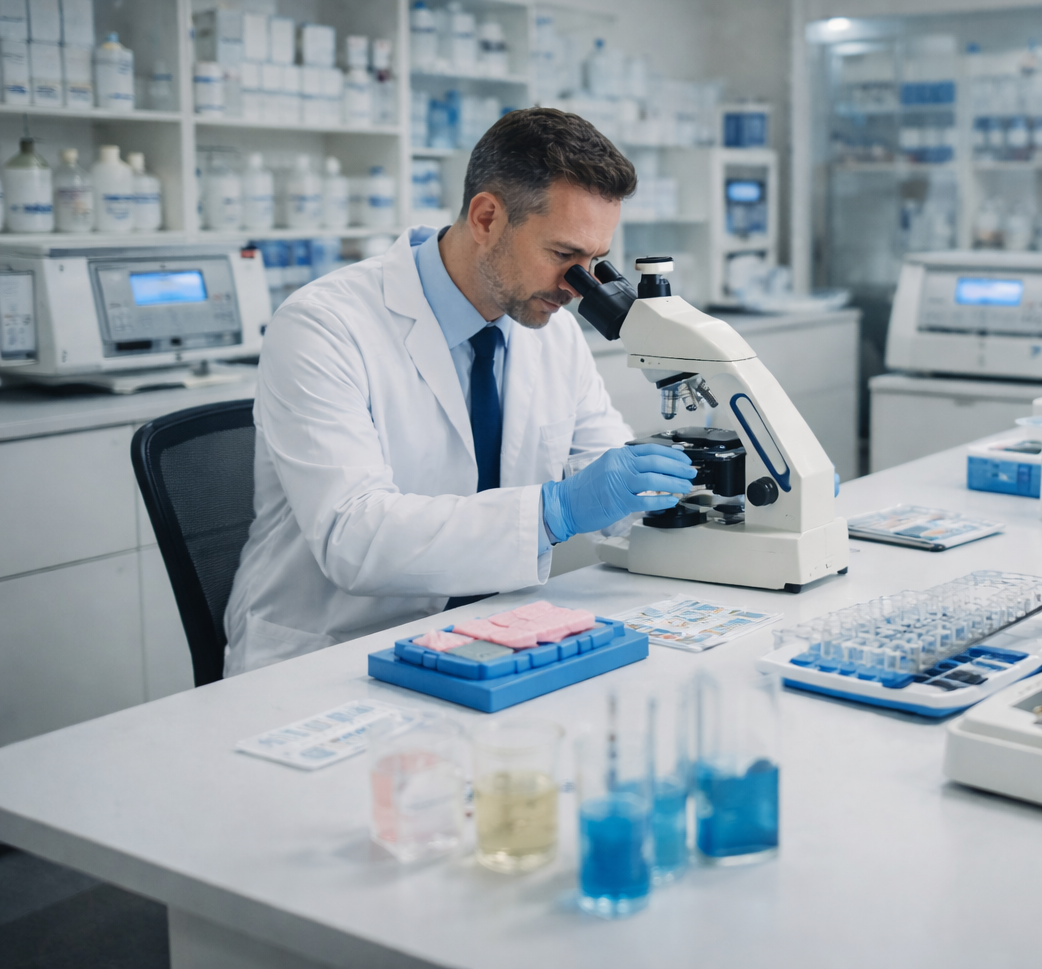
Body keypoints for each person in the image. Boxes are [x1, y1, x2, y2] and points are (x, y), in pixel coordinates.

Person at [223, 108, 697, 674]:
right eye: (563, 256)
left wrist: (675, 501)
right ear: (487, 217)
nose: (577, 286)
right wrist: (555, 510)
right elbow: (354, 537)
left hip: (489, 641)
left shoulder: (551, 330)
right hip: (333, 655)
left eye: (593, 262)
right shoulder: (323, 325)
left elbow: (609, 475)